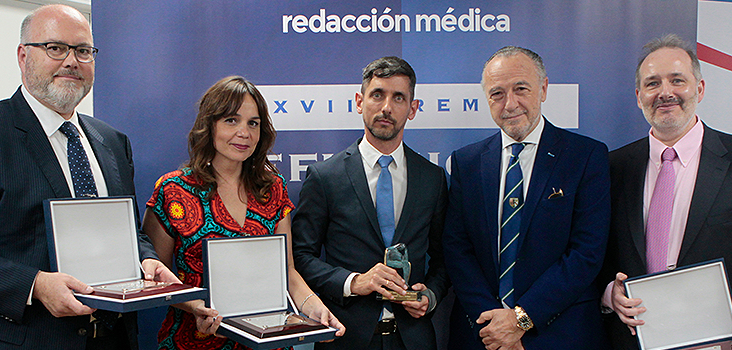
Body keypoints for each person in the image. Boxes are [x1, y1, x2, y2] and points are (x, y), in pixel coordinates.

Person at [0, 4, 178, 349]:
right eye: (55, 48)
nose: (72, 61)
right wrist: (35, 285)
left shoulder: (113, 142)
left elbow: (129, 230)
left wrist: (147, 259)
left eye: (83, 51)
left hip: (112, 339)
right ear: (23, 56)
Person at [600, 34, 732, 350]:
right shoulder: (612, 168)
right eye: (652, 84)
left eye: (677, 80)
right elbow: (593, 255)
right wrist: (610, 292)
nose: (665, 93)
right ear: (638, 96)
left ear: (700, 89)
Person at [142, 76, 345, 350]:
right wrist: (196, 307)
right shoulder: (172, 190)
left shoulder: (272, 189)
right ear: (209, 125)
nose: (244, 133)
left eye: (253, 123)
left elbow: (286, 271)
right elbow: (158, 278)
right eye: (231, 120)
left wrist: (314, 306)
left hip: (266, 341)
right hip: (193, 339)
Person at [444, 46, 610, 350]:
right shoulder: (466, 163)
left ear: (544, 89)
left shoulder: (586, 156)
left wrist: (520, 319)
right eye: (497, 94)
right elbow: (457, 249)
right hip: (482, 335)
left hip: (560, 334)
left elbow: (586, 252)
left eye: (521, 89)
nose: (510, 104)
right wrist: (495, 326)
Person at [291, 56, 449, 350]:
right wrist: (354, 282)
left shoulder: (433, 178)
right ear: (359, 101)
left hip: (413, 340)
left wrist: (430, 295)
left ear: (412, 109)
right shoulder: (325, 176)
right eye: (378, 94)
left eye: (399, 97)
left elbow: (444, 259)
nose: (387, 107)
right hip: (345, 337)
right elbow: (300, 256)